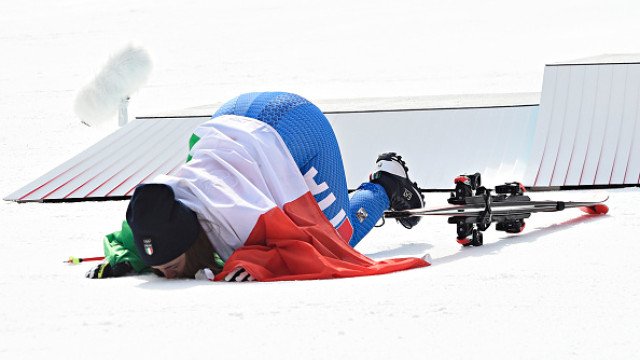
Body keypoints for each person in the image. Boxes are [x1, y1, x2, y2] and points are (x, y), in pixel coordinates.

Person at [86, 92, 429, 281]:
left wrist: (256, 262)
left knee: (335, 238)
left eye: (173, 268)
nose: (166, 275)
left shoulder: (242, 217)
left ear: (192, 241)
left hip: (295, 127)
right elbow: (130, 240)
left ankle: (387, 184)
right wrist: (125, 259)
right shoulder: (158, 210)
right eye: (160, 268)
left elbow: (302, 248)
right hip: (234, 117)